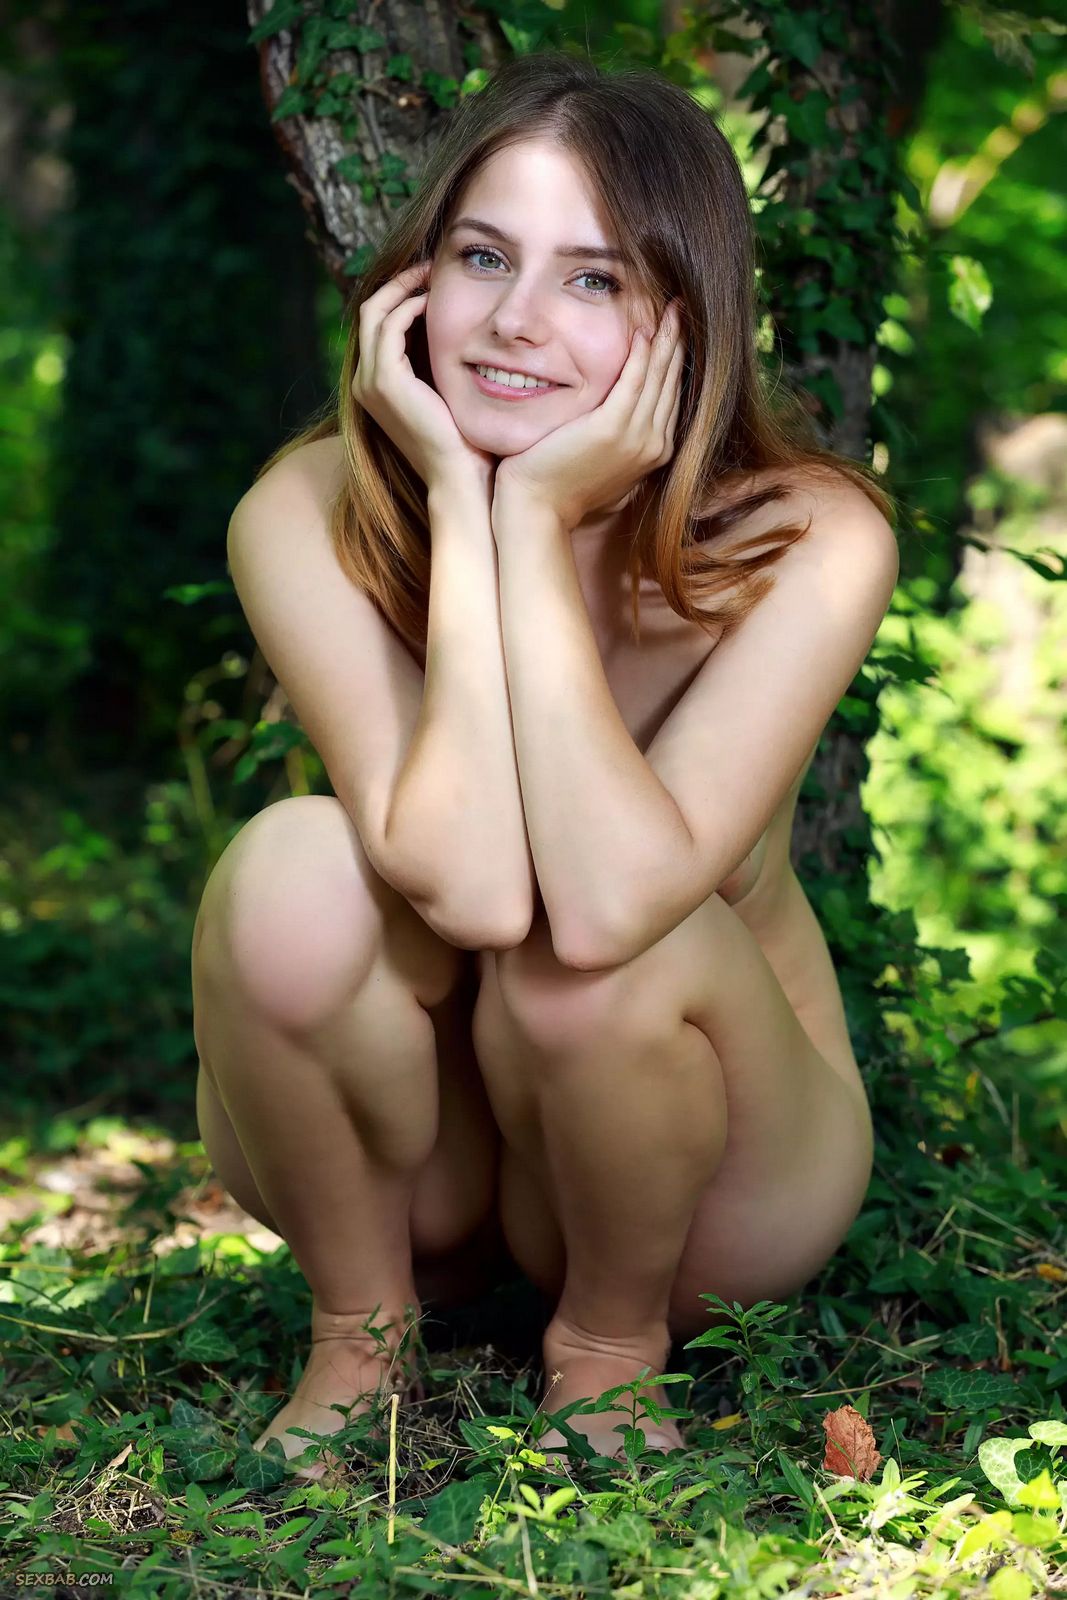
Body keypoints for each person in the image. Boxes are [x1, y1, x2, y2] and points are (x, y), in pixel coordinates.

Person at [191, 50, 900, 1477]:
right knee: (286, 872)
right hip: (444, 1171)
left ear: (683, 321)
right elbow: (465, 888)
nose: (517, 319)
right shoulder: (310, 509)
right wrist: (472, 507)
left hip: (717, 1182)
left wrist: (539, 520)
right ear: (413, 286)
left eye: (593, 279)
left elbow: (604, 906)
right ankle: (359, 1332)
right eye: (483, 256)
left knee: (600, 957)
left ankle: (608, 1349)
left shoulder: (808, 539)